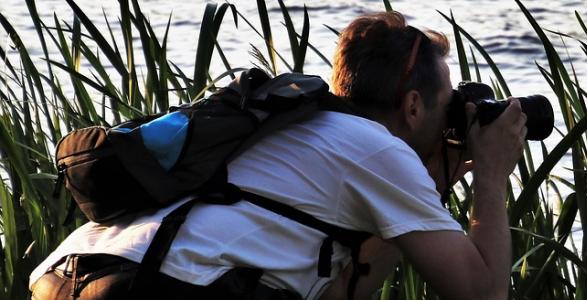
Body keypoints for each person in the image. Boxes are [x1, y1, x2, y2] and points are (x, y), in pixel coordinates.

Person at [29, 10, 523, 300]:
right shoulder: (379, 149)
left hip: (67, 276)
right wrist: (491, 177)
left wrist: (429, 188)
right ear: (413, 105)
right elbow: (481, 294)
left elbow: (333, 294)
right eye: (445, 106)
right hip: (160, 286)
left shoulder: (296, 126)